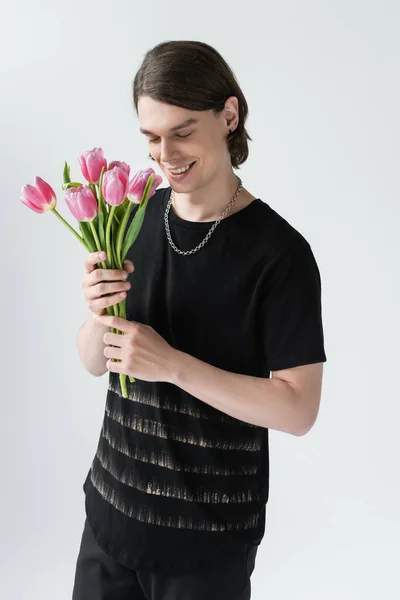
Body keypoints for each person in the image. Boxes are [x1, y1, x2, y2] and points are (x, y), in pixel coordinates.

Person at [72, 40, 327, 600]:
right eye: (151, 137)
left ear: (229, 116)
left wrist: (174, 365)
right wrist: (97, 315)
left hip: (204, 549)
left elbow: (298, 408)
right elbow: (94, 363)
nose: (164, 154)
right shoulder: (132, 214)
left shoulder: (280, 255)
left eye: (182, 132)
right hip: (109, 520)